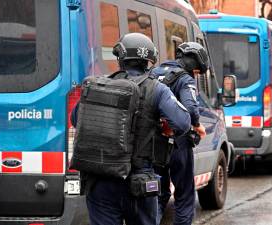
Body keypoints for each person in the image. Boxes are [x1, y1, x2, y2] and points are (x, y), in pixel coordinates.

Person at [70, 33, 191, 225]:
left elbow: (76, 120)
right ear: (148, 61)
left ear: (120, 58)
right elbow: (183, 123)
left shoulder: (97, 85)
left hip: (100, 180)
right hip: (139, 181)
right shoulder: (157, 89)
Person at [151, 42, 208, 225]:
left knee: (157, 193)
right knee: (184, 194)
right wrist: (198, 125)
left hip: (151, 144)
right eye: (197, 71)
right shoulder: (184, 79)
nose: (196, 75)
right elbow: (191, 109)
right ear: (193, 63)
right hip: (177, 144)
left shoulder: (154, 72)